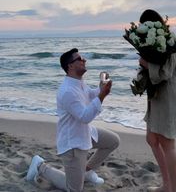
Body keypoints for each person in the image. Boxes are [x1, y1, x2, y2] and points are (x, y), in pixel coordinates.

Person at [26, 48, 120, 192]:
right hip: (73, 144)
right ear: (70, 66)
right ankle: (41, 166)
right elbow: (85, 117)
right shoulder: (67, 91)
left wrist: (101, 89)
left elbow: (89, 95)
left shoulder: (78, 82)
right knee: (74, 189)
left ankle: (86, 171)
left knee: (113, 141)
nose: (84, 60)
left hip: (85, 133)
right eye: (80, 59)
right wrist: (102, 96)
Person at [138, 10, 176, 192]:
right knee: (151, 139)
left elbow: (165, 74)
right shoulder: (155, 44)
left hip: (169, 98)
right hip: (155, 97)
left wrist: (147, 65)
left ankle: (175, 189)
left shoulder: (170, 43)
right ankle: (166, 184)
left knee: (168, 144)